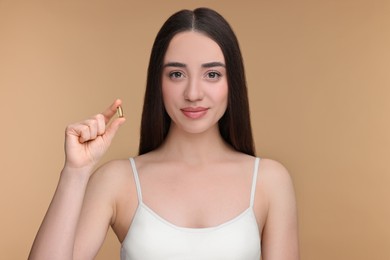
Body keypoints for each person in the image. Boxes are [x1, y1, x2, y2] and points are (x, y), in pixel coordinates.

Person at [29, 7, 299, 260]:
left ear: (233, 83)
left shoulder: (269, 181)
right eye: (177, 74)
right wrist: (75, 173)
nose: (193, 93)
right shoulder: (117, 181)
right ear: (158, 82)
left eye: (213, 74)